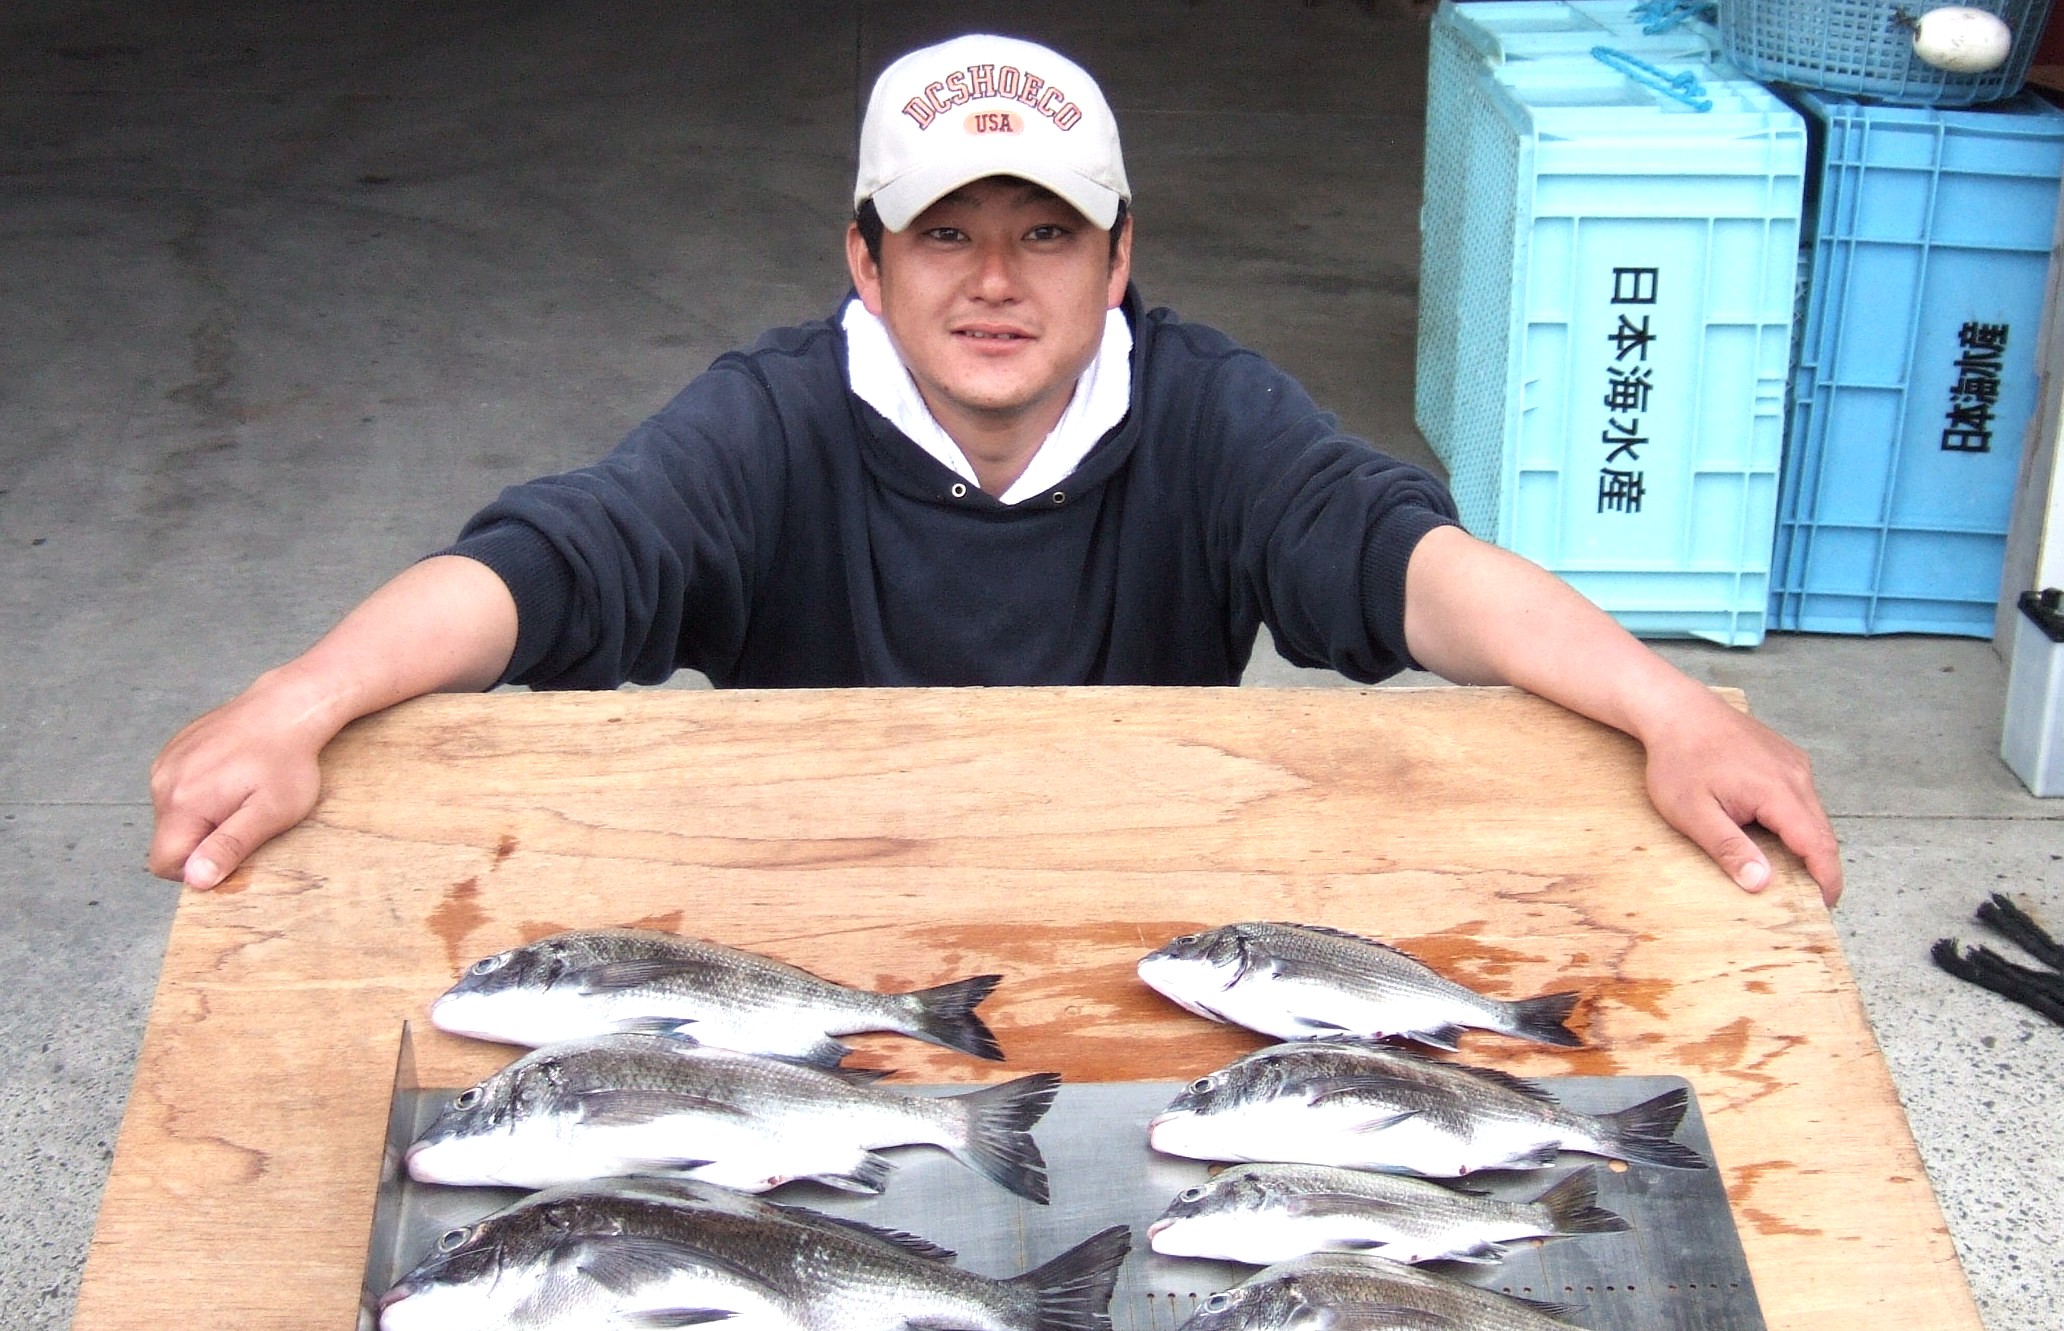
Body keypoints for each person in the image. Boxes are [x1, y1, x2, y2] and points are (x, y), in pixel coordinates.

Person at [147, 33, 1842, 906]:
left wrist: (1669, 706)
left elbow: (1408, 562)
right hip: (815, 921)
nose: (994, 281)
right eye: (943, 233)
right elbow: (552, 567)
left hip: (1150, 920)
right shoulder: (776, 418)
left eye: (1047, 232)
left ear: (1121, 257)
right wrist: (303, 697)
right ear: (864, 261)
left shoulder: (1201, 411)